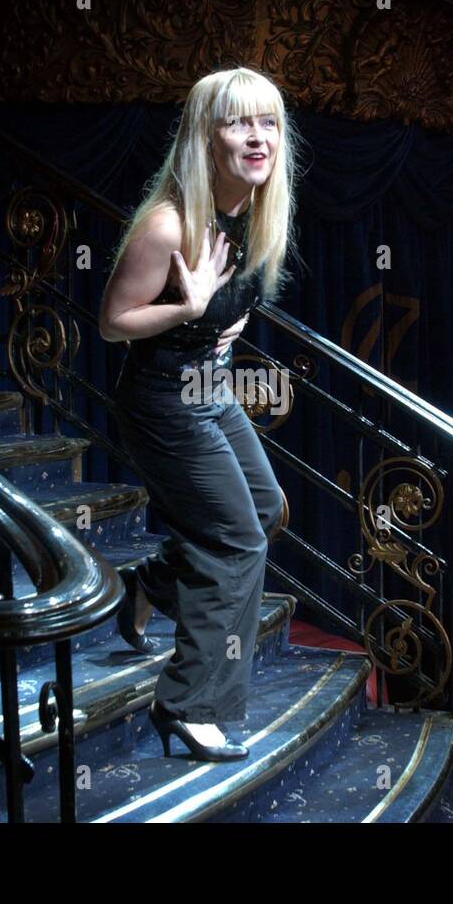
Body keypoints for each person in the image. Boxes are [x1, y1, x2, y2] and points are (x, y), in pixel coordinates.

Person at [98, 67, 299, 761]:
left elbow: (224, 301)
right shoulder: (169, 222)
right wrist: (186, 309)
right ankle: (189, 701)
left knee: (266, 509)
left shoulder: (250, 214)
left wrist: (225, 322)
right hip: (160, 398)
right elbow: (113, 321)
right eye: (238, 122)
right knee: (237, 540)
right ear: (205, 136)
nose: (258, 137)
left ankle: (153, 583)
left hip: (208, 387)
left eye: (268, 123)